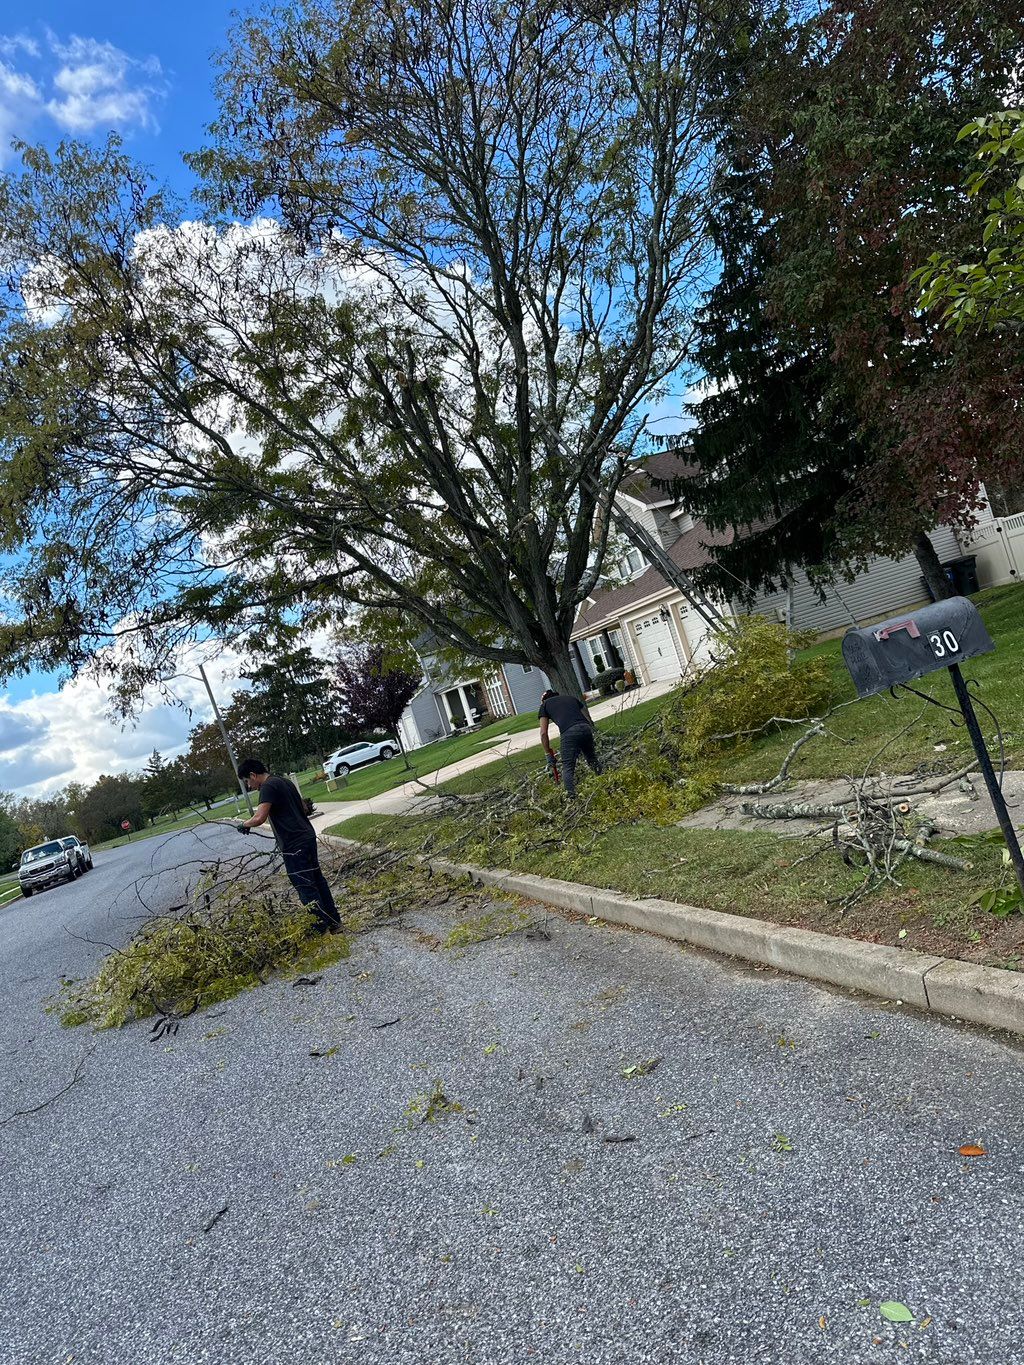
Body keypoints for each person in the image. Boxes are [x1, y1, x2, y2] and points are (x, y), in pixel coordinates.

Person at [235, 757, 340, 932]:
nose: (248, 786)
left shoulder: (267, 787)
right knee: (317, 880)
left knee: (304, 885)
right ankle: (335, 923)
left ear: (253, 775)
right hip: (306, 836)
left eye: (247, 781)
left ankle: (320, 928)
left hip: (293, 844)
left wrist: (244, 824)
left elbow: (259, 817)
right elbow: (305, 808)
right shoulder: (284, 781)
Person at [538, 687, 603, 799]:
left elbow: (543, 733)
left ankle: (571, 798)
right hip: (586, 727)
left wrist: (548, 754)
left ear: (544, 700)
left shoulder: (544, 705)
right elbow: (585, 716)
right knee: (592, 760)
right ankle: (605, 784)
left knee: (567, 766)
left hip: (569, 731)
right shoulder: (570, 698)